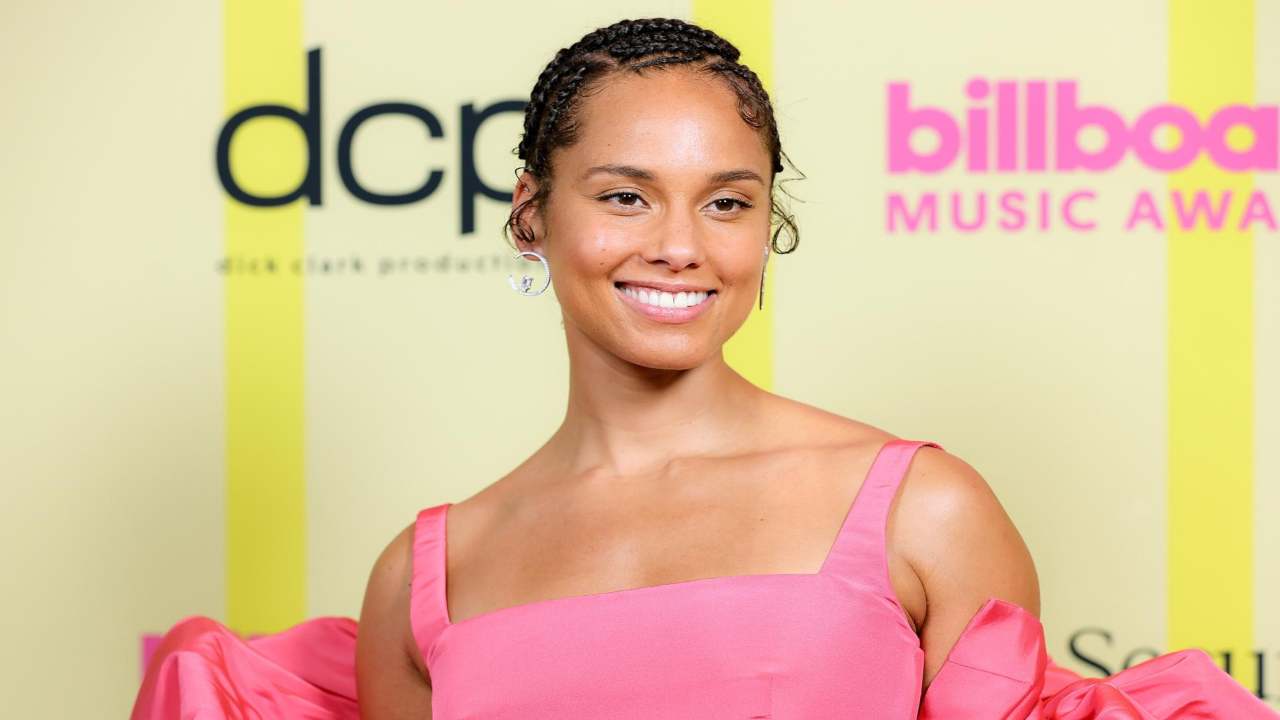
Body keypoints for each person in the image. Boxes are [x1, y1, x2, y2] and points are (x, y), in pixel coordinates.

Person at [132, 17, 1279, 720]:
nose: (679, 245)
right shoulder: (423, 574)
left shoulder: (922, 509)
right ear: (531, 213)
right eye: (624, 195)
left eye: (725, 202)